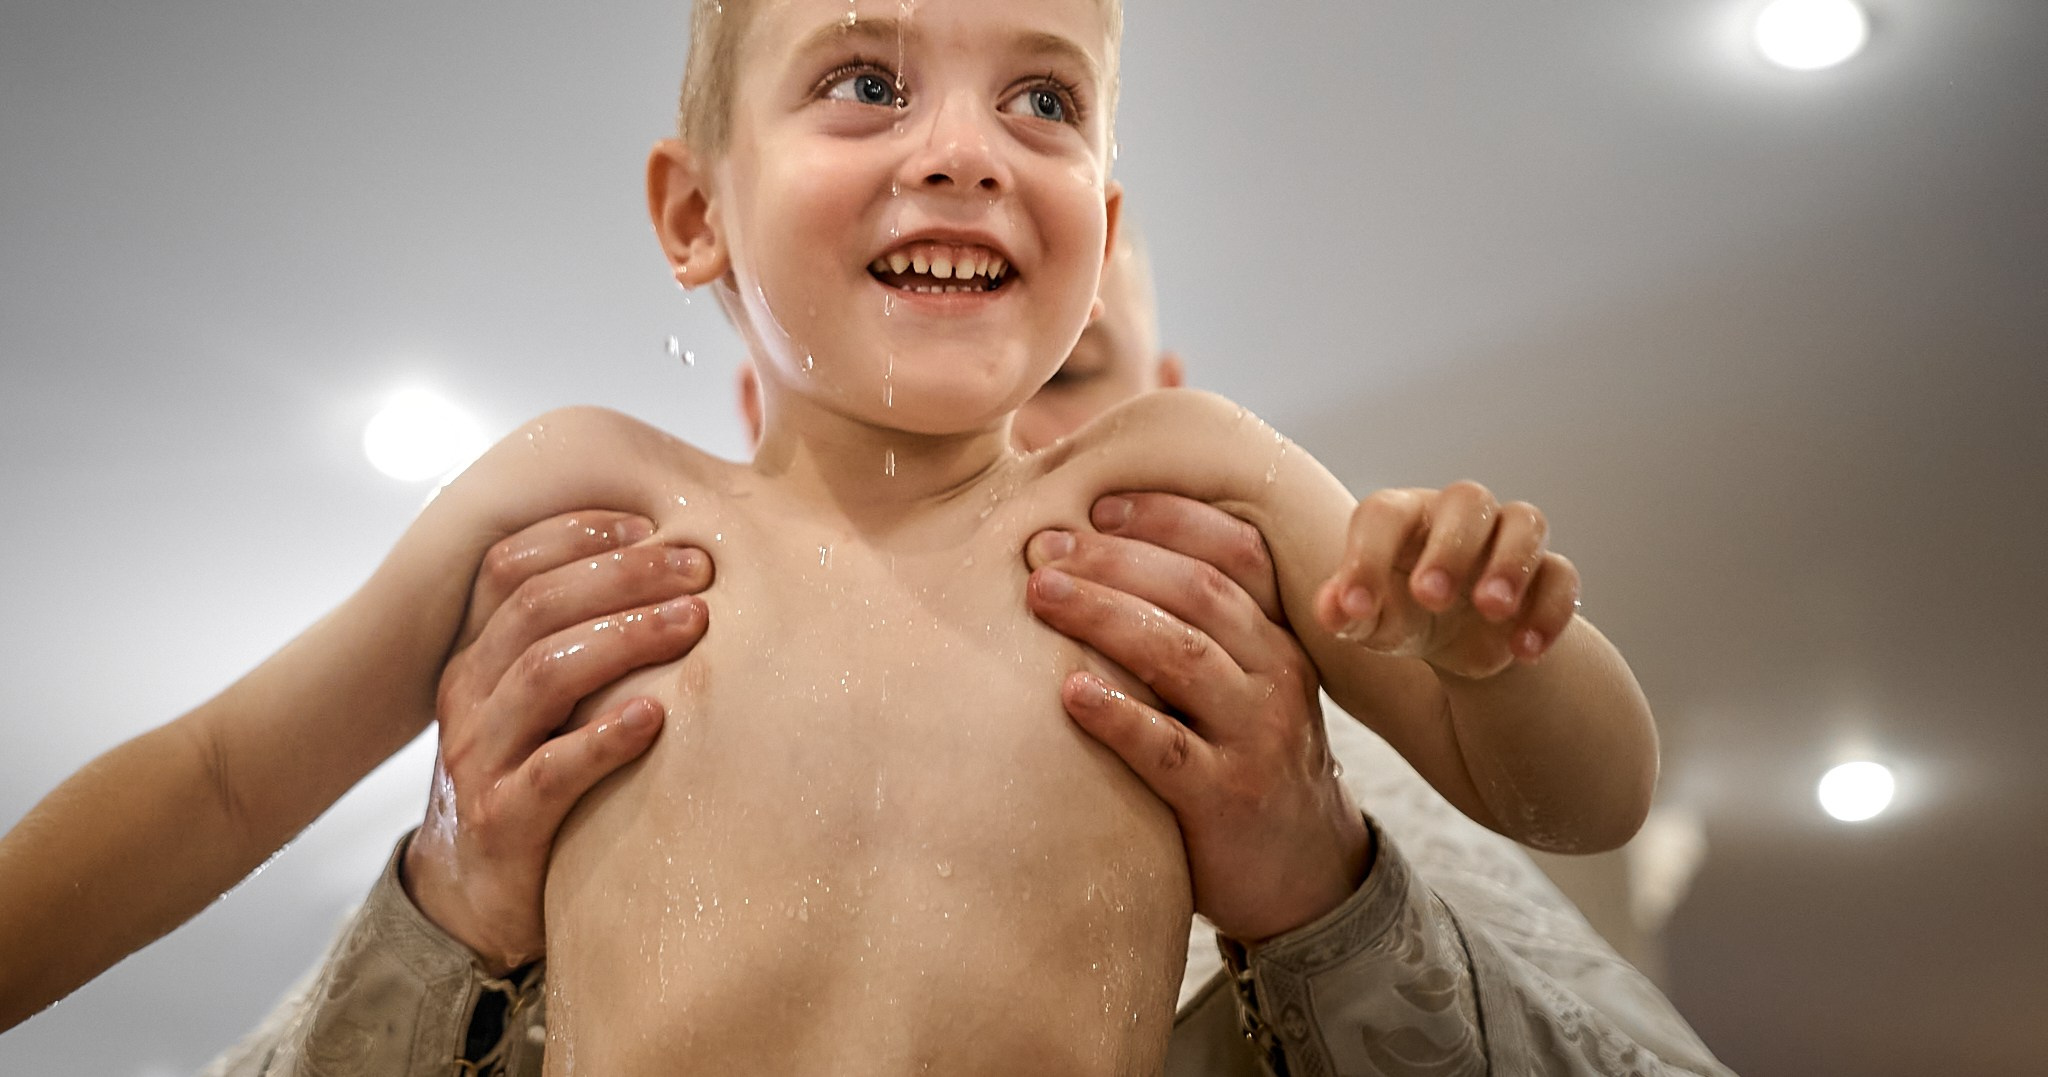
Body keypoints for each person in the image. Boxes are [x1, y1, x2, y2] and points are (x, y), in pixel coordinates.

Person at [0, 0, 1660, 1075]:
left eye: (1044, 103)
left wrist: (1493, 648)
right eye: (869, 84)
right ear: (692, 211)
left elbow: (1582, 801)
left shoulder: (1185, 478)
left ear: (1109, 224)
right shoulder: (581, 496)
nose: (965, 151)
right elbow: (219, 777)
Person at [201, 227, 1734, 1077]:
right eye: (906, 392)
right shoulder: (588, 747)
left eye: (1072, 378)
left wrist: (1322, 892)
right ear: (757, 425)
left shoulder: (1382, 777)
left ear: (1174, 405)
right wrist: (457, 917)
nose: (994, 445)